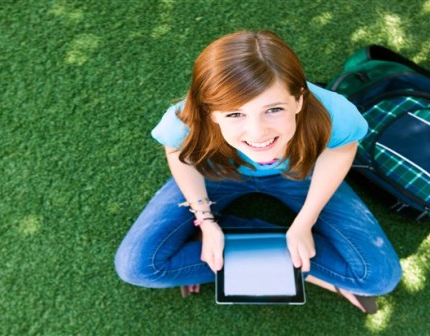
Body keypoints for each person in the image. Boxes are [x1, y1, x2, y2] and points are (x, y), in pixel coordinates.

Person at [115, 30, 402, 314]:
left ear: (299, 99)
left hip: (301, 172)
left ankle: (230, 242)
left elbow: (341, 151)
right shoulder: (186, 117)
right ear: (211, 112)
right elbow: (178, 153)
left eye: (274, 109)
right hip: (217, 171)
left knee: (378, 278)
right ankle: (250, 246)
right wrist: (204, 219)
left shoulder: (334, 112)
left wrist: (304, 223)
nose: (258, 133)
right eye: (235, 114)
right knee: (136, 267)